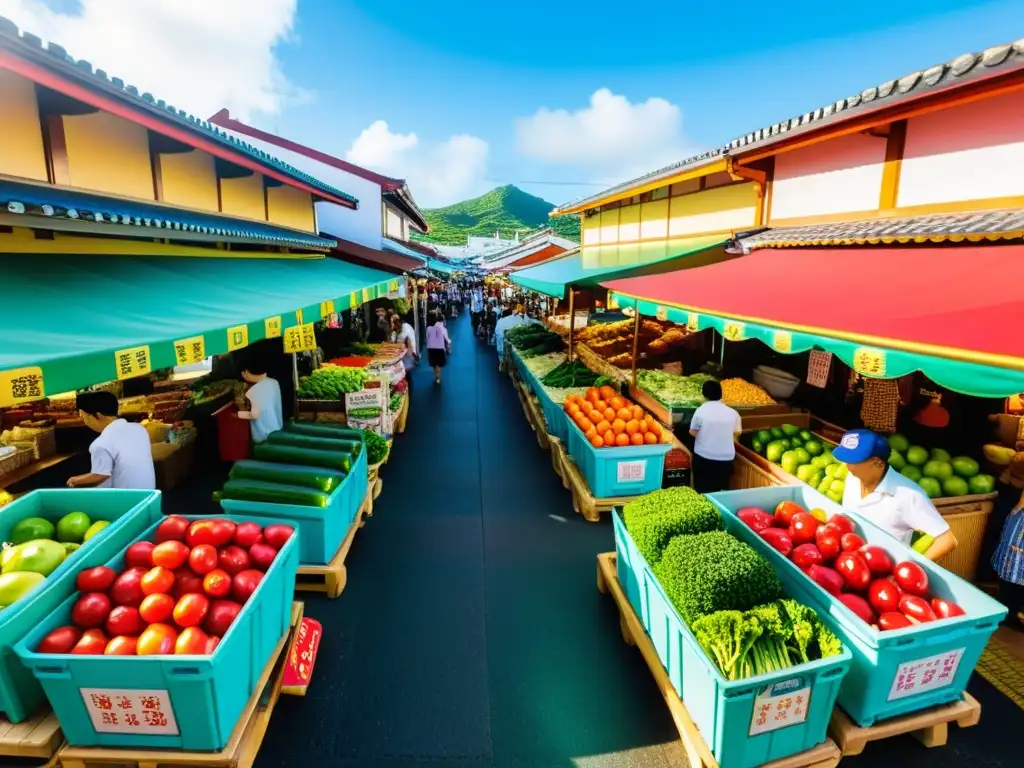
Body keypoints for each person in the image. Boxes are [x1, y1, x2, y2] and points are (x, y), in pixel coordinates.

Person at [832, 429, 957, 561]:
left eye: (854, 461)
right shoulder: (852, 478)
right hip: (848, 559)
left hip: (883, 571)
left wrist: (915, 568)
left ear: (878, 462)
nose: (847, 466)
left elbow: (947, 540)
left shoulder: (909, 495)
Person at [67, 391, 155, 489]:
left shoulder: (101, 444)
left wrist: (74, 480)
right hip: (150, 494)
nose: (85, 422)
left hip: (125, 501)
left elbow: (100, 475)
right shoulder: (140, 429)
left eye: (83, 417)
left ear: (98, 415)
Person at [689, 380, 742, 493]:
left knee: (703, 491)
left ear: (704, 394)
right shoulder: (733, 413)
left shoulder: (701, 411)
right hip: (726, 461)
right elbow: (737, 433)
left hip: (704, 459)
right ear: (721, 394)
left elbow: (692, 432)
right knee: (721, 492)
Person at [237, 360, 283, 444]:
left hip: (263, 435)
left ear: (246, 372)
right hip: (277, 427)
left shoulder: (253, 391)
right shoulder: (274, 382)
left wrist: (238, 414)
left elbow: (254, 415)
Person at [391, 313, 419, 386]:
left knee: (406, 374)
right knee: (403, 375)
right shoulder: (396, 332)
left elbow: (409, 344)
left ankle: (408, 388)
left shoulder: (405, 330)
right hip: (400, 356)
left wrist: (410, 357)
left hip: (405, 356)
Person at [426, 310, 451, 385]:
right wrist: (448, 345)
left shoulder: (428, 328)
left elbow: (427, 337)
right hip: (440, 347)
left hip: (431, 348)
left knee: (434, 363)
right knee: (439, 364)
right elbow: (446, 337)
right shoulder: (441, 327)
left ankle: (436, 375)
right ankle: (438, 377)